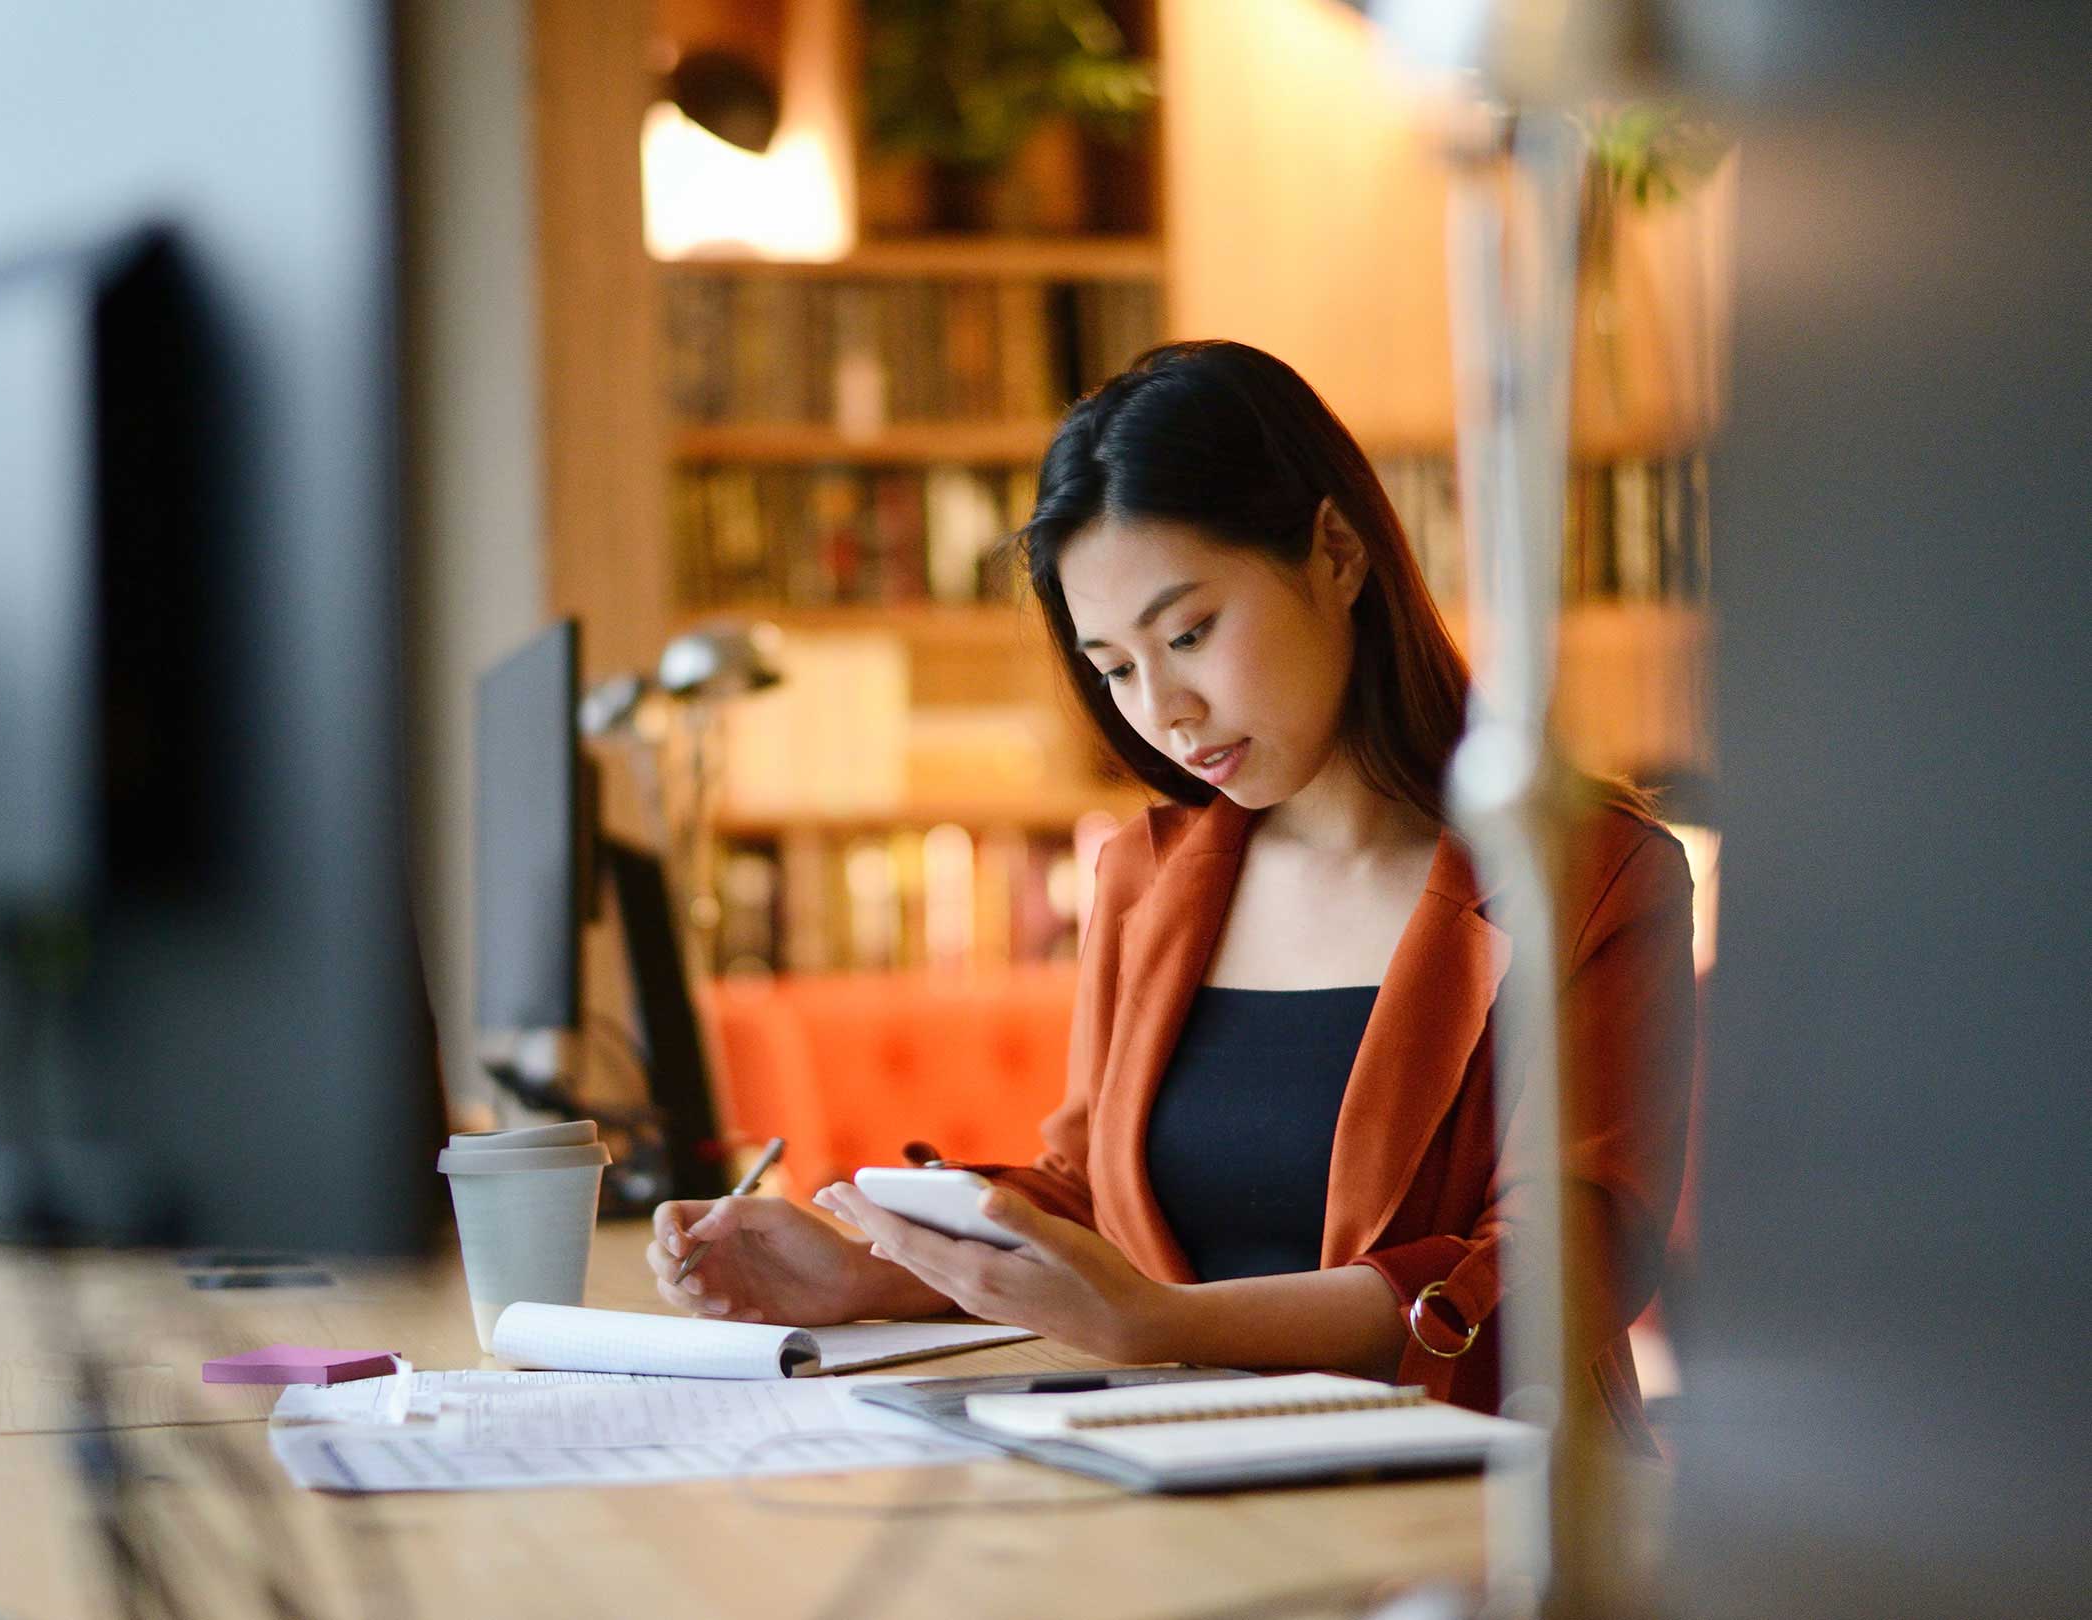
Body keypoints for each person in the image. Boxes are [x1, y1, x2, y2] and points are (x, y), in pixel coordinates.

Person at [646, 340, 1694, 1442]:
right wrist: (868, 1273)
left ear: (1336, 552)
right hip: (1188, 1470)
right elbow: (1093, 1193)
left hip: (1478, 1497)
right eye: (1114, 667)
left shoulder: (1588, 877)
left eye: (1189, 633)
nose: (1165, 710)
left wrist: (1163, 1322)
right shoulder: (1150, 879)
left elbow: (1560, 1269)